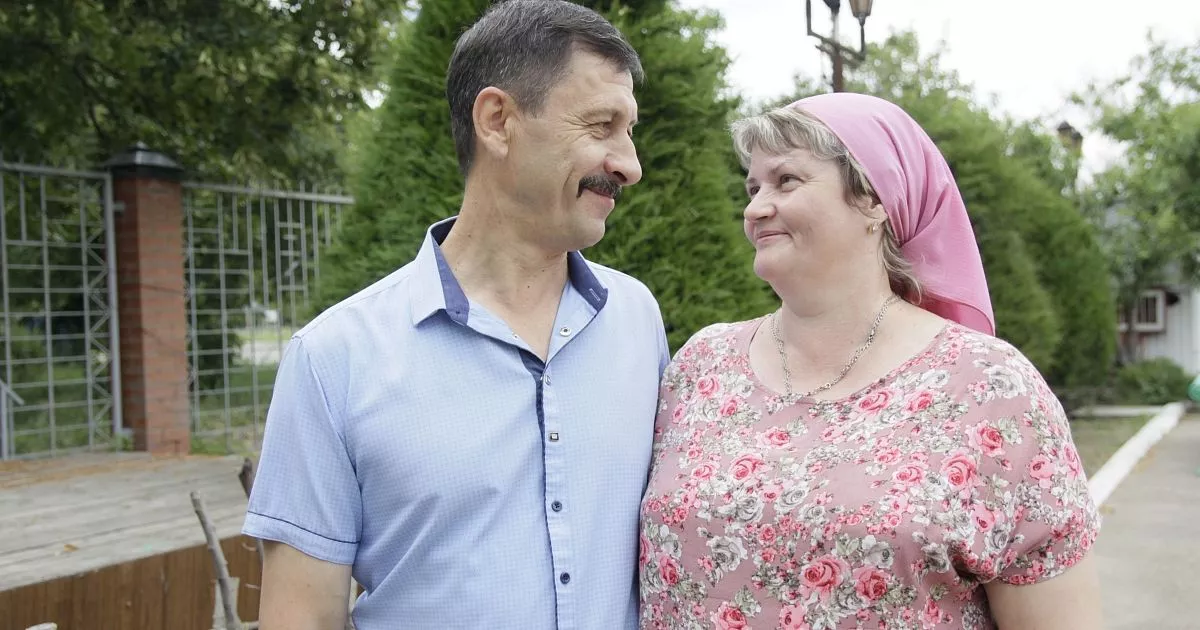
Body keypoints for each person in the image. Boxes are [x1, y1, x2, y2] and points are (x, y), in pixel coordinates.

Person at [243, 1, 670, 628]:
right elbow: (299, 617)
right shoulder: (332, 359)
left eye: (628, 131)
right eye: (601, 126)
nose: (629, 165)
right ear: (497, 121)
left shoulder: (637, 320)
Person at [638, 93, 1103, 630]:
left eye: (786, 180)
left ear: (875, 199)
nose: (755, 208)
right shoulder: (701, 366)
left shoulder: (992, 388)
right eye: (753, 187)